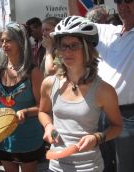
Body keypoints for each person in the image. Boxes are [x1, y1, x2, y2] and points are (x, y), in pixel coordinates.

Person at [38, 16, 122, 172]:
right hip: (56, 166)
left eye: (74, 45)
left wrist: (97, 138)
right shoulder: (49, 83)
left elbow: (117, 127)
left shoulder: (104, 90)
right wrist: (48, 126)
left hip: (89, 167)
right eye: (63, 46)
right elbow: (43, 111)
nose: (67, 51)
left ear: (87, 49)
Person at [68, 1, 134, 172]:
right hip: (99, 112)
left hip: (128, 115)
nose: (123, 6)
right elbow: (76, 22)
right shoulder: (108, 31)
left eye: (129, 1)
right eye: (120, 1)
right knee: (101, 164)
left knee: (124, 166)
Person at [0, 22, 44, 172]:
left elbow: (43, 107)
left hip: (27, 137)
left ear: (21, 42)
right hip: (3, 138)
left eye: (9, 40)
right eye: (3, 40)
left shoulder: (34, 72)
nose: (4, 44)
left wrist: (26, 112)